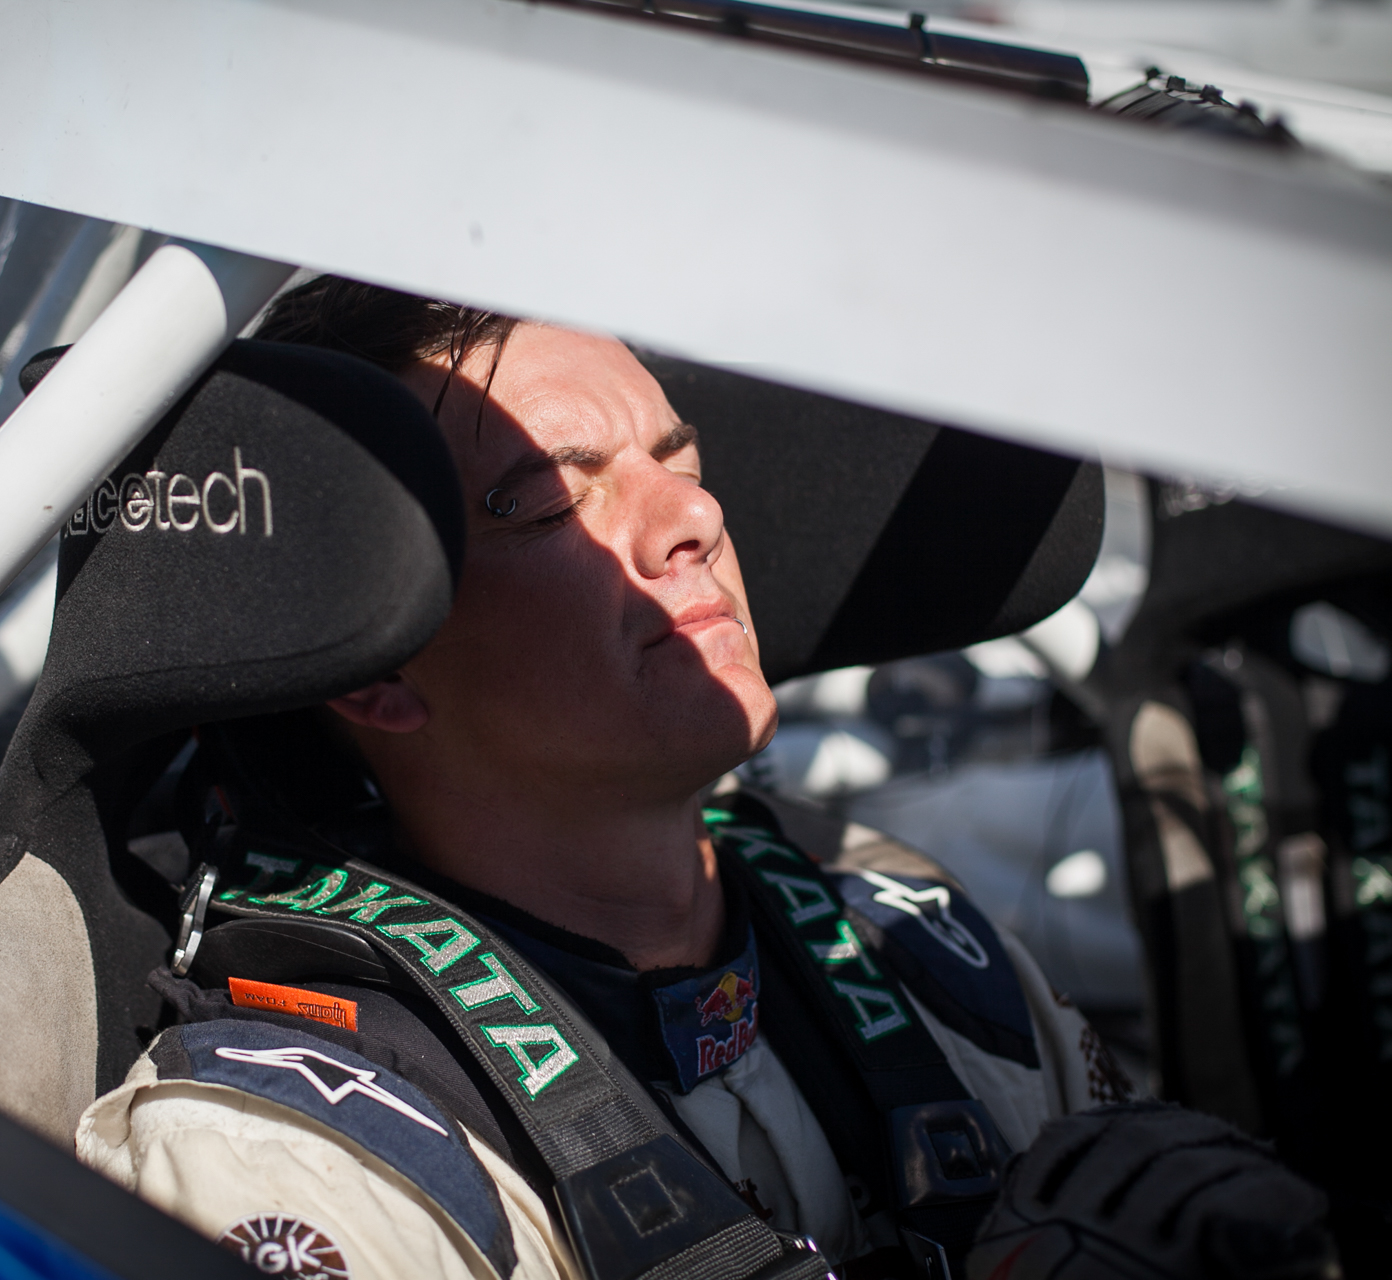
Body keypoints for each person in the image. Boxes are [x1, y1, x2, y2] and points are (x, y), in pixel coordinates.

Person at [68, 279, 1314, 1280]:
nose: (691, 517)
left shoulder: (913, 937)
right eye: (550, 500)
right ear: (379, 665)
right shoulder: (286, 1154)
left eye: (679, 456)